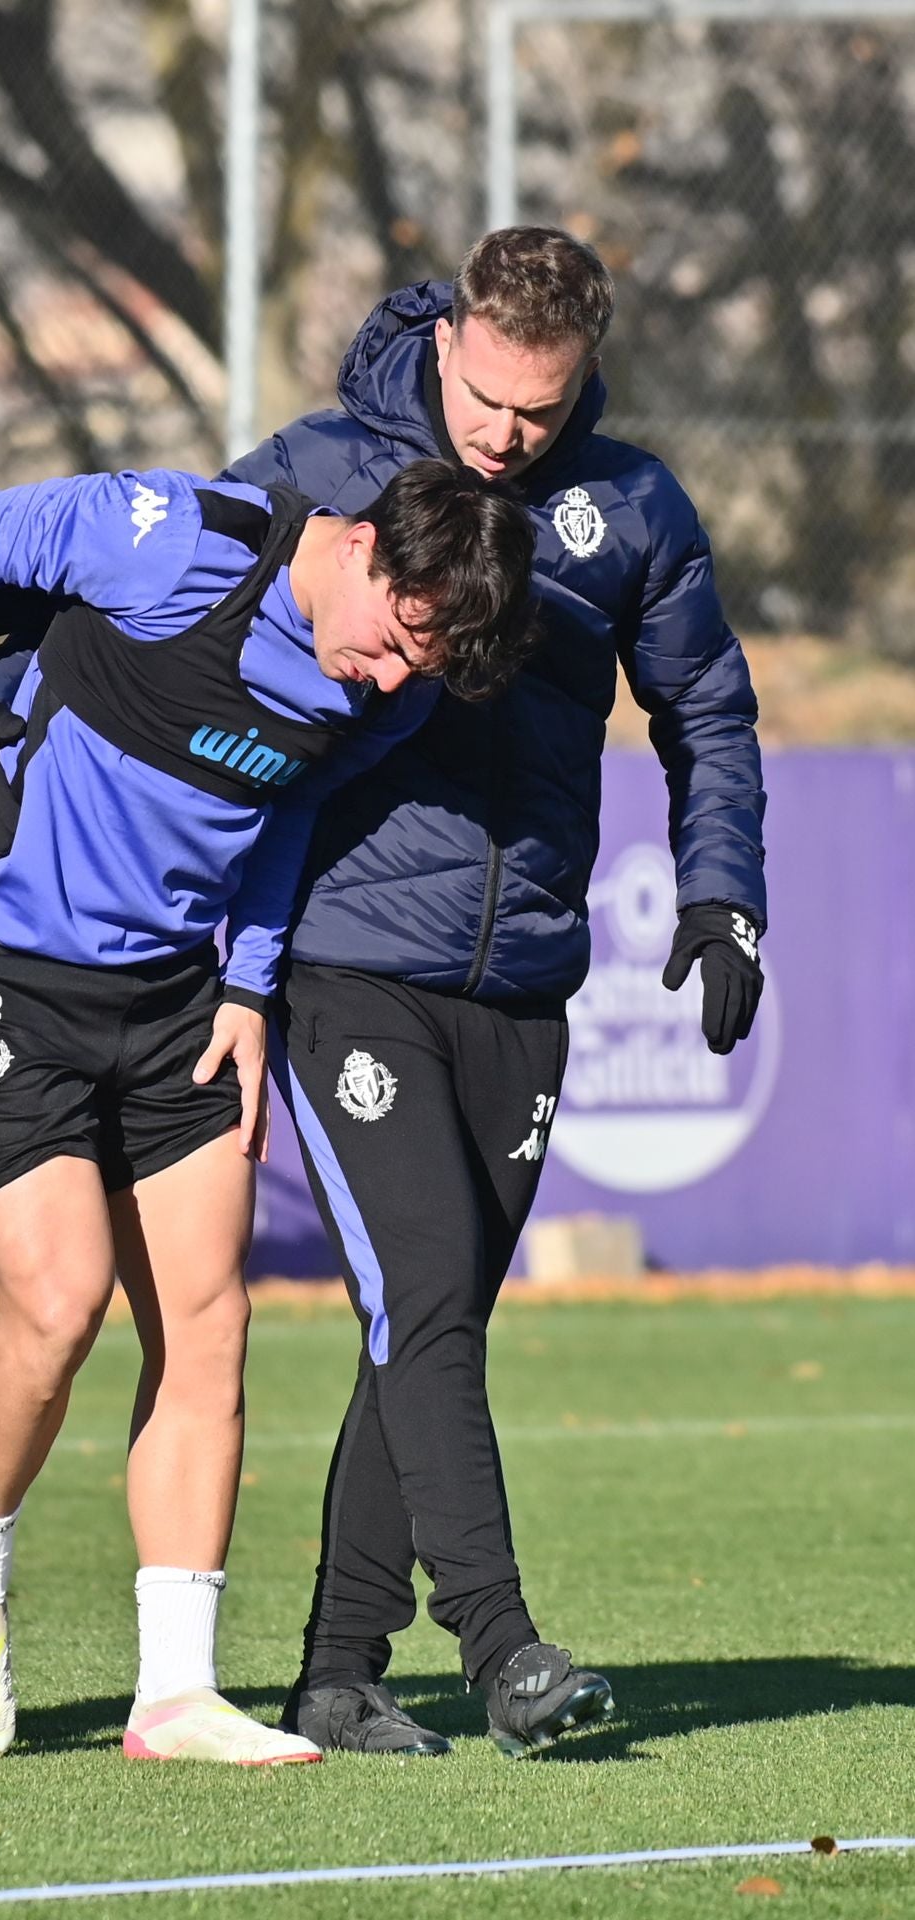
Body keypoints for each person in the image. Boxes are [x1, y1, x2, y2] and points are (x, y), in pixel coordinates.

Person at [0, 457, 539, 1764]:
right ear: (367, 549)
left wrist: (251, 984)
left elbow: (292, 808)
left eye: (417, 670)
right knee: (58, 1303)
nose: (389, 681)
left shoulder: (387, 692)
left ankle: (175, 1695)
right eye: (393, 642)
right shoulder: (170, 543)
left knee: (211, 1324)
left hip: (174, 1000)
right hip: (3, 965)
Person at [218, 227, 770, 1758]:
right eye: (487, 401)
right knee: (429, 1298)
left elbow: (706, 710)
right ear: (449, 338)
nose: (506, 437)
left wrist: (726, 896)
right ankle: (502, 1647)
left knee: (431, 1314)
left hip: (524, 977)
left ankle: (335, 1672)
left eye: (541, 409)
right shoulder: (328, 465)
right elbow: (170, 595)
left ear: (582, 373)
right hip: (344, 960)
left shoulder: (633, 507)